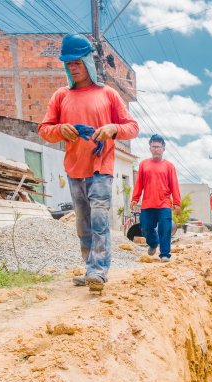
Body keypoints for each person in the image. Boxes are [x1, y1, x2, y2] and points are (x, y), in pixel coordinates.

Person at [38, 34, 139, 292]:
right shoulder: (61, 97)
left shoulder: (108, 95)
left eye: (77, 62)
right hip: (74, 169)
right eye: (68, 63)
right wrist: (62, 130)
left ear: (87, 61)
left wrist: (112, 129)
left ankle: (99, 270)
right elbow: (44, 129)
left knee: (99, 220)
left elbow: (132, 128)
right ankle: (90, 267)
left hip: (101, 169)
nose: (73, 67)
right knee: (83, 223)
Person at [131, 134, 181, 262]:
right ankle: (153, 243)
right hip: (147, 204)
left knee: (165, 229)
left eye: (159, 147)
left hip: (164, 204)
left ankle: (164, 254)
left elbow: (174, 185)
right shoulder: (144, 164)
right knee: (145, 227)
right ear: (150, 148)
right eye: (154, 146)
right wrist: (135, 198)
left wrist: (177, 202)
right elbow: (139, 183)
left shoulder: (169, 166)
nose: (156, 149)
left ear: (163, 148)